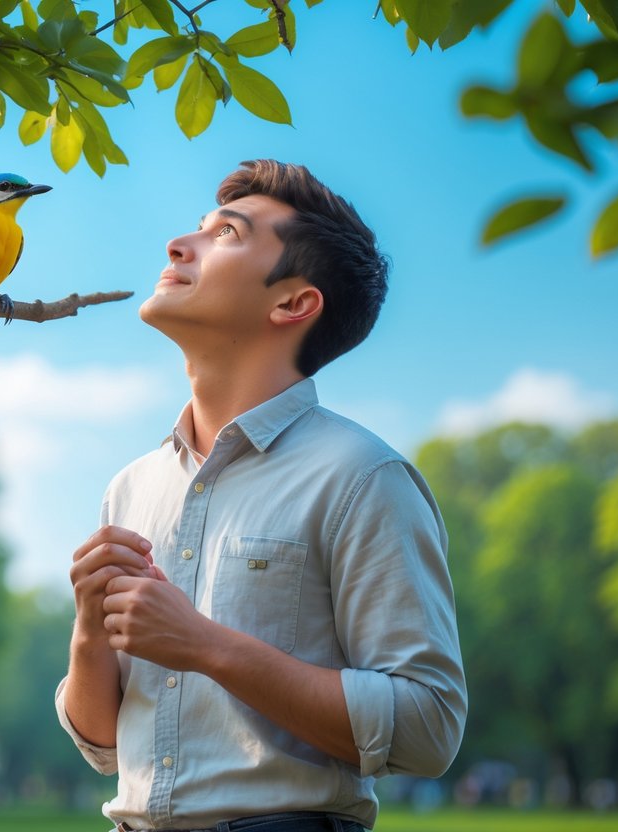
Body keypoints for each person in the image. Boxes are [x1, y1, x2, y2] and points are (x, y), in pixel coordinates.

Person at [56, 160, 467, 832]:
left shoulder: (361, 476)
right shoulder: (129, 487)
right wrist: (87, 635)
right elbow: (100, 746)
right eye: (196, 229)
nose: (179, 245)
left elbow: (428, 727)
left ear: (292, 303)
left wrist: (205, 646)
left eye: (226, 234)